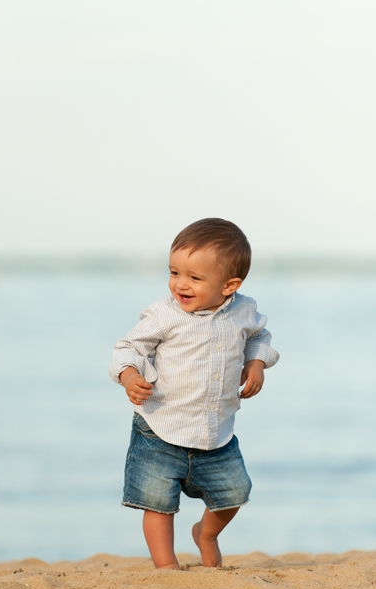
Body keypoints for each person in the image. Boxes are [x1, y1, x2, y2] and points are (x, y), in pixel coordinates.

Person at [109, 218, 279, 570]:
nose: (180, 285)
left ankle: (206, 533)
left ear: (230, 285)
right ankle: (166, 567)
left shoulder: (243, 311)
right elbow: (128, 347)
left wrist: (257, 363)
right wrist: (128, 375)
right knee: (157, 502)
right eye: (174, 273)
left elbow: (260, 338)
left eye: (194, 278)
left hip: (215, 432)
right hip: (159, 428)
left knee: (234, 493)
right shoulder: (163, 315)